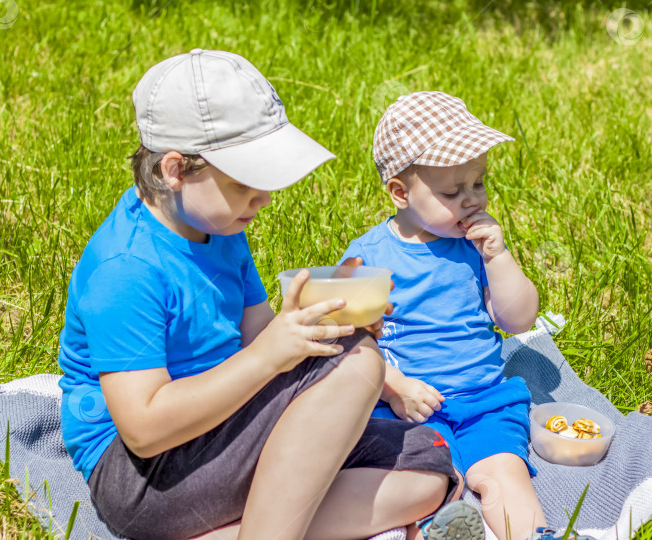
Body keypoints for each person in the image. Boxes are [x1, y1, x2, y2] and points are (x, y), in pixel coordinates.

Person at [57, 50, 461, 540]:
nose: (265, 198)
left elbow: (258, 336)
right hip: (144, 477)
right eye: (245, 182)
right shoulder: (127, 269)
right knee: (356, 364)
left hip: (223, 427)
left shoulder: (217, 224)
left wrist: (324, 318)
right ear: (174, 171)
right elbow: (144, 430)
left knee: (426, 465)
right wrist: (275, 356)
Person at [338, 91, 549, 540]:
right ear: (399, 192)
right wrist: (394, 388)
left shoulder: (477, 246)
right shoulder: (369, 255)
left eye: (478, 183)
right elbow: (349, 342)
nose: (471, 199)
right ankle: (434, 527)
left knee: (503, 474)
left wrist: (499, 257)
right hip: (408, 409)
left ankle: (535, 534)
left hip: (483, 401)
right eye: (452, 191)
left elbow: (520, 320)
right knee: (419, 481)